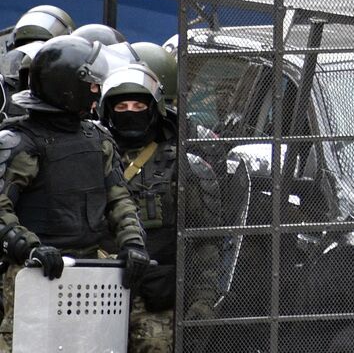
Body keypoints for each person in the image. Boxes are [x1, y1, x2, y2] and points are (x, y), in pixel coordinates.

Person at [0, 36, 148, 353]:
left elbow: (119, 200)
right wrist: (30, 248)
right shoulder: (19, 143)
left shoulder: (98, 138)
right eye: (91, 85)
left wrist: (133, 243)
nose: (97, 91)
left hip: (93, 271)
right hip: (35, 272)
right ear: (67, 87)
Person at [99, 62, 221, 353]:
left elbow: (207, 242)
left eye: (138, 106)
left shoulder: (183, 167)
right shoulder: (89, 157)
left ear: (154, 109)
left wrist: (203, 300)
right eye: (122, 105)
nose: (129, 112)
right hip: (96, 292)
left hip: (157, 296)